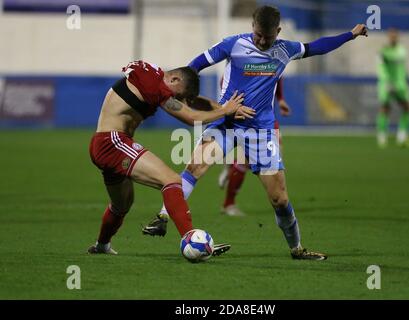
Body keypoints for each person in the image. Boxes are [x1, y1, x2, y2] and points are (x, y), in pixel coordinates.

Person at [143, 5, 368, 260]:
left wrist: (350, 34)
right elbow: (196, 64)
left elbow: (317, 46)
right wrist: (182, 92)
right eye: (258, 34)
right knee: (196, 167)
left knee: (279, 199)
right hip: (226, 122)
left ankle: (297, 249)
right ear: (252, 27)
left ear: (278, 31)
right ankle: (162, 217)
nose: (261, 41)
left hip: (260, 130)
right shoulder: (233, 44)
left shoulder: (286, 50)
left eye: (267, 37)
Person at [87, 60, 254, 254]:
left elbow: (195, 102)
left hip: (104, 143)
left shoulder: (155, 78)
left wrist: (227, 108)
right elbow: (192, 118)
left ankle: (101, 246)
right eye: (179, 96)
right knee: (172, 180)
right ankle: (191, 238)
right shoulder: (155, 85)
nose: (178, 101)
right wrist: (225, 110)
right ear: (174, 79)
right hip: (113, 142)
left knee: (121, 205)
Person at [217, 77, 291, 217]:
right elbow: (226, 84)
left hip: (266, 119)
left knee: (272, 160)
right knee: (251, 162)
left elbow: (277, 77)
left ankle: (231, 168)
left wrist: (280, 99)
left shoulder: (272, 59)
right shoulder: (241, 64)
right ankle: (228, 204)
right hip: (246, 120)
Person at [376, 28, 409, 148]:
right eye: (391, 36)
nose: (393, 38)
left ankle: (401, 136)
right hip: (386, 83)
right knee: (385, 108)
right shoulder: (383, 51)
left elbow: (401, 68)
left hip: (400, 84)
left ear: (397, 37)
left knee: (407, 107)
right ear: (388, 37)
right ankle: (382, 137)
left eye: (394, 36)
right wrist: (387, 82)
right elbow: (381, 67)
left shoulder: (401, 50)